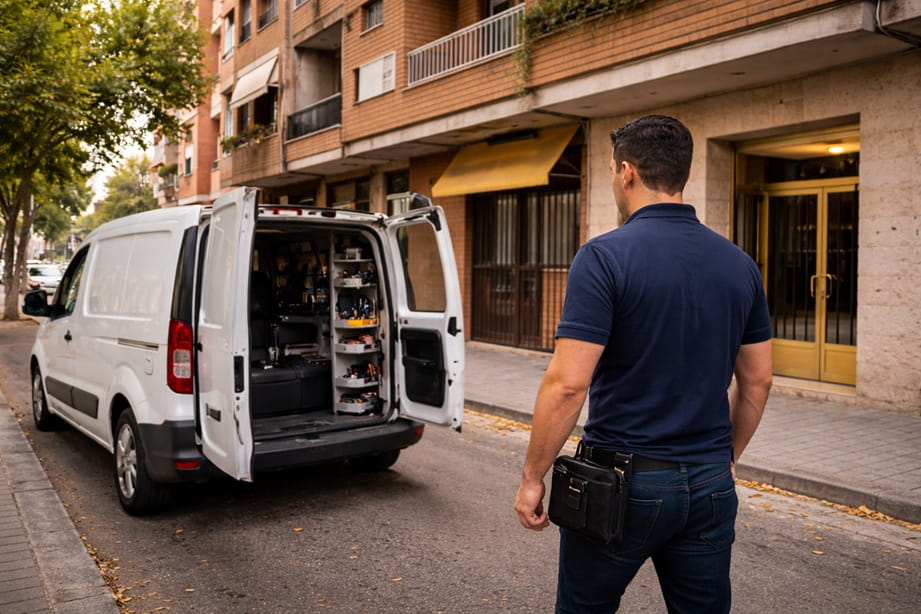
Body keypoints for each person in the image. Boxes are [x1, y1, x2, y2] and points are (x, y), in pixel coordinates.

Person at [513, 115, 773, 612]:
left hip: (623, 483)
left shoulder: (604, 257)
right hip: (710, 480)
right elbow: (758, 381)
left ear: (626, 172)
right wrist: (726, 457)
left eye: (612, 170)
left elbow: (568, 385)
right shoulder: (740, 264)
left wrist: (533, 478)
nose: (614, 179)